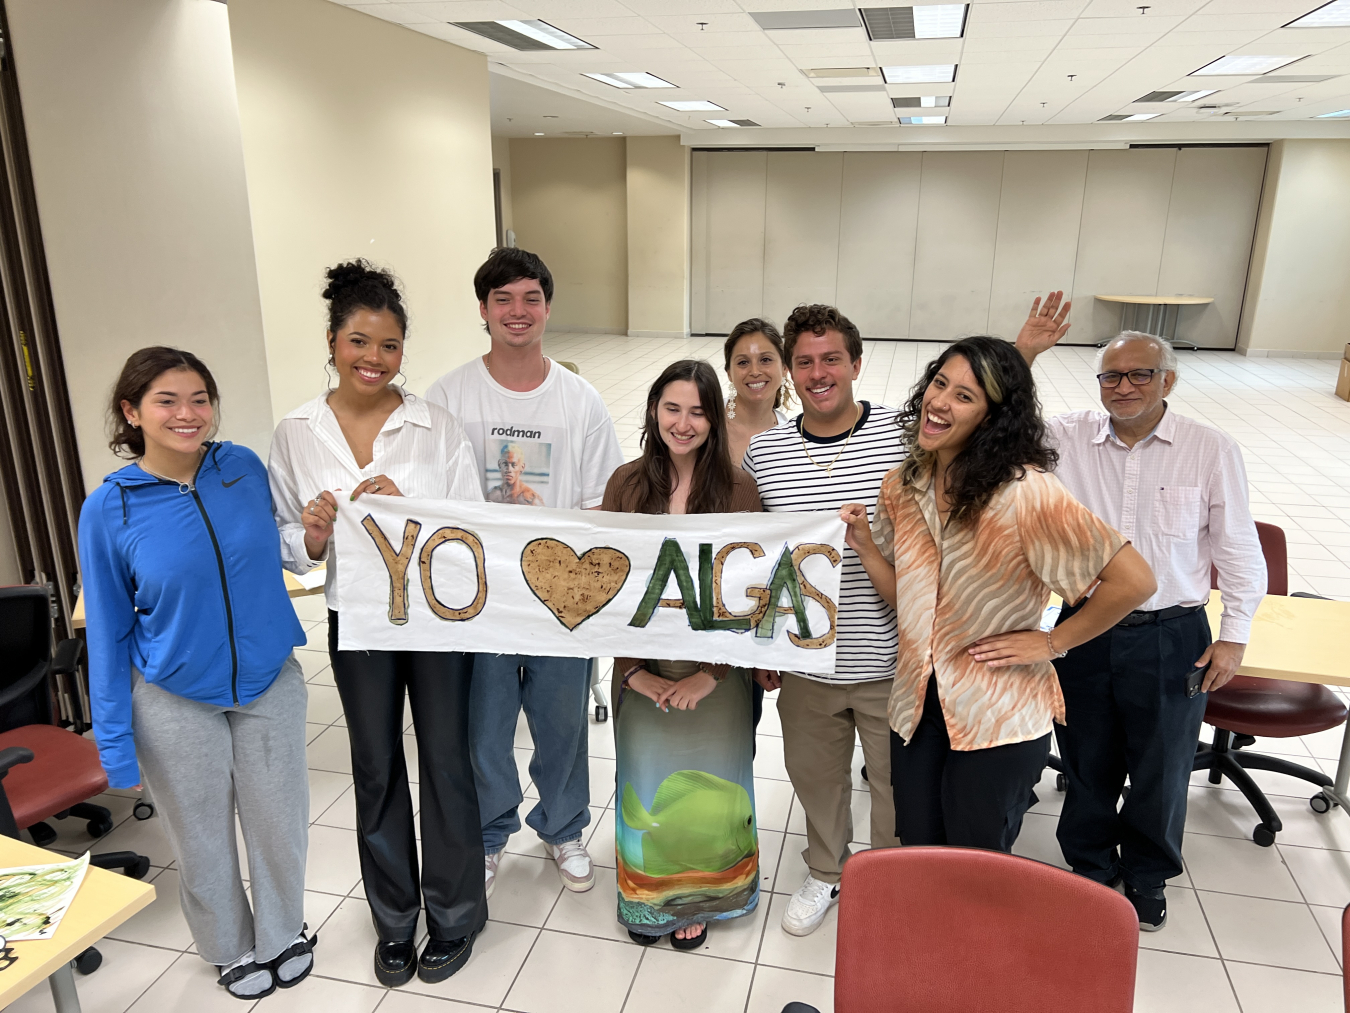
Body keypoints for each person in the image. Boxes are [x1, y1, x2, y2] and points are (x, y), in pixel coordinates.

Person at [841, 335, 1156, 856]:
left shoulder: (1025, 493)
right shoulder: (904, 483)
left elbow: (1135, 581)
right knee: (918, 846)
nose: (939, 402)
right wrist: (869, 551)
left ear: (993, 417)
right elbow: (915, 603)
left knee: (977, 860)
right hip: (918, 705)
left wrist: (1054, 642)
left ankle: (974, 941)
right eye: (939, 383)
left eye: (965, 396)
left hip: (998, 713)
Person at [269, 260, 487, 987]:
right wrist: (313, 534)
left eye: (389, 345)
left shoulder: (436, 426)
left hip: (433, 621)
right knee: (375, 767)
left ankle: (454, 913)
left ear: (403, 352)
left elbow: (472, 531)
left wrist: (411, 510)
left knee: (447, 762)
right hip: (357, 619)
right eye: (360, 342)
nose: (374, 359)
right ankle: (394, 919)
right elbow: (286, 540)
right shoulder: (297, 431)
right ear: (332, 340)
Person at [1016, 305, 1266, 931]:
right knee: (1087, 760)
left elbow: (1238, 548)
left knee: (1162, 767)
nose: (1123, 387)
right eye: (1111, 376)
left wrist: (1234, 636)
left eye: (1140, 375)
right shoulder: (1065, 438)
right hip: (1085, 628)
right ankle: (1092, 869)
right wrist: (1025, 354)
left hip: (1171, 634)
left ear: (1168, 381)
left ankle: (1149, 874)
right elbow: (997, 423)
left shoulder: (1210, 451)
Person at [79, 347, 315, 1001]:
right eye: (167, 400)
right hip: (175, 697)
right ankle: (229, 947)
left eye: (199, 399)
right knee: (203, 838)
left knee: (279, 824)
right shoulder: (108, 508)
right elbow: (107, 631)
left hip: (269, 681)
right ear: (132, 412)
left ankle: (282, 932)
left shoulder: (241, 468)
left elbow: (288, 546)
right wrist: (115, 742)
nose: (188, 414)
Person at [426, 247, 624, 900]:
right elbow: (428, 501)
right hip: (477, 598)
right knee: (482, 726)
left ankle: (563, 826)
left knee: (562, 721)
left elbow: (602, 501)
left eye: (531, 297)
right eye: (503, 299)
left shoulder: (580, 400)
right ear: (483, 310)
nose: (518, 311)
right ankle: (487, 832)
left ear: (547, 306)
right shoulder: (450, 395)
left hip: (558, 594)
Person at [741, 303, 906, 937]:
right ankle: (827, 870)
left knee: (895, 786)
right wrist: (763, 647)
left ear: (856, 364)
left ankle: (891, 878)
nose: (818, 373)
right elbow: (755, 559)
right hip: (807, 662)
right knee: (816, 778)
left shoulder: (902, 437)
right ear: (789, 371)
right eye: (804, 362)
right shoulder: (766, 453)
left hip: (890, 658)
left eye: (831, 358)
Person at [602, 359, 764, 949]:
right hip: (642, 672)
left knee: (714, 787)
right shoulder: (625, 484)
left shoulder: (739, 489)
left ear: (714, 420)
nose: (684, 422)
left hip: (717, 676)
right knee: (646, 782)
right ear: (653, 410)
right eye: (673, 408)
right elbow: (608, 589)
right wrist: (632, 674)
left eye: (698, 411)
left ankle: (704, 897)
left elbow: (755, 596)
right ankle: (648, 901)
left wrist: (712, 675)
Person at [723, 318, 794, 466]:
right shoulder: (707, 419)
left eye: (766, 360)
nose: (755, 372)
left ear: (784, 367)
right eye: (743, 362)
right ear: (729, 373)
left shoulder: (790, 440)